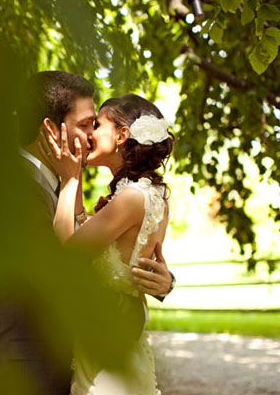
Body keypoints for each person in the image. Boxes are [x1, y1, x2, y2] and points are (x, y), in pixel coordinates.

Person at [0, 72, 173, 395]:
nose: (92, 135)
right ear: (52, 130)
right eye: (86, 125)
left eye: (96, 126)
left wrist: (160, 282)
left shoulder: (56, 186)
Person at [43, 93, 174, 394]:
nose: (89, 134)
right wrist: (76, 172)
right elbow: (81, 228)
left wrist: (69, 179)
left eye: (97, 125)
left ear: (121, 135)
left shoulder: (130, 198)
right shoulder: (151, 194)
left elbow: (70, 248)